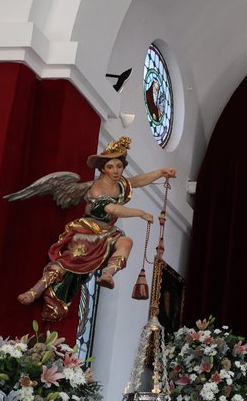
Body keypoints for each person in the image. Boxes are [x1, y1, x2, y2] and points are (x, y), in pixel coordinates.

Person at [10, 136, 177, 321]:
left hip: (107, 232)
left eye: (119, 166)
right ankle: (36, 290)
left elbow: (137, 180)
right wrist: (139, 213)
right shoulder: (97, 189)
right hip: (88, 232)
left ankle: (107, 274)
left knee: (126, 242)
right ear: (102, 169)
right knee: (69, 263)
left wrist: (161, 172)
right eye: (110, 167)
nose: (115, 171)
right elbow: (112, 209)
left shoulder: (120, 184)